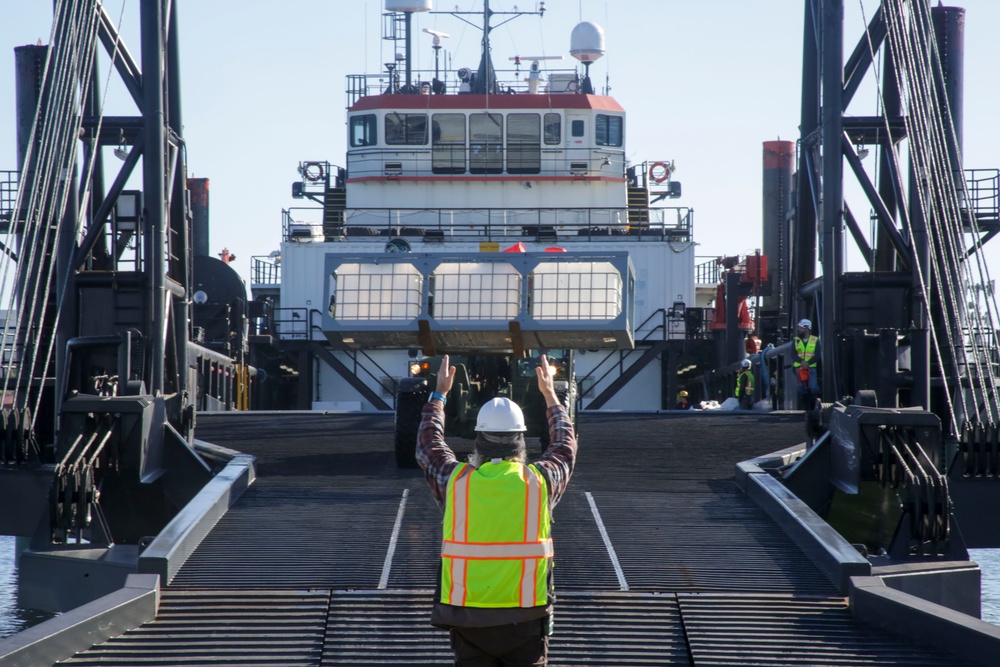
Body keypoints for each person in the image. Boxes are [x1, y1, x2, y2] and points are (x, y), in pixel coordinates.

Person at [417, 354, 577, 667]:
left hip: (466, 616)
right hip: (527, 616)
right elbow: (564, 445)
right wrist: (550, 394)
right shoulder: (540, 482)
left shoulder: (455, 482)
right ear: (521, 440)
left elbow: (428, 445)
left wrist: (439, 396)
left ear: (478, 440)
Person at [791, 318, 820, 409]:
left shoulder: (815, 340)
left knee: (813, 387)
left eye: (801, 328)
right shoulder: (796, 340)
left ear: (807, 328)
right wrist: (802, 362)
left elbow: (818, 355)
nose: (799, 330)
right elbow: (793, 355)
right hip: (799, 368)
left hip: (811, 368)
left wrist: (808, 363)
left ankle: (815, 406)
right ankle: (805, 408)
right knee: (801, 389)